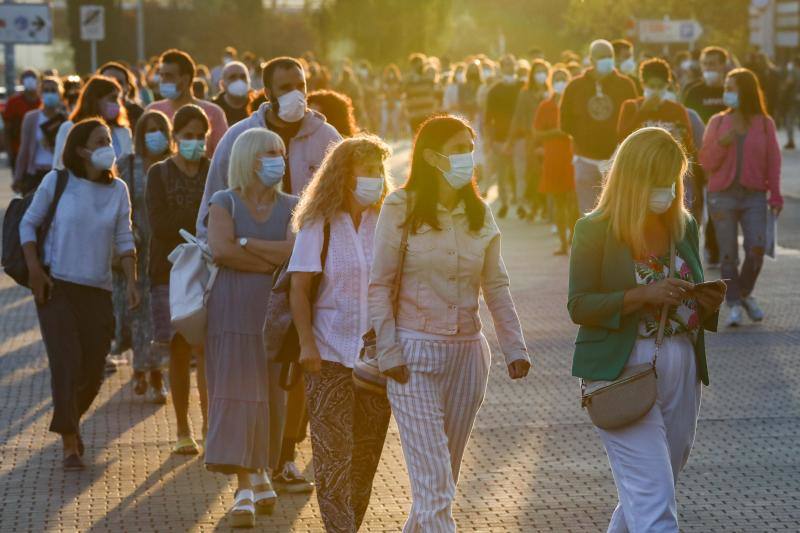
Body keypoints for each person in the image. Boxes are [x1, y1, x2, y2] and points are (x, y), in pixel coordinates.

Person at [370, 115, 531, 532]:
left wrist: (514, 347)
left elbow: (496, 286)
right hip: (412, 358)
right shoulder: (400, 207)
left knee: (439, 484)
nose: (468, 158)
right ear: (431, 156)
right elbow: (380, 284)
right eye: (459, 149)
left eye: (470, 149)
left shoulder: (479, 213)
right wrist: (388, 351)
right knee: (436, 487)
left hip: (467, 358)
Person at [568, 127, 725, 533]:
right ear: (634, 177)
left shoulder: (683, 226)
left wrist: (703, 300)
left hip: (682, 362)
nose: (668, 189)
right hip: (623, 369)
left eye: (673, 178)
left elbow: (687, 290)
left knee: (651, 490)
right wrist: (642, 295)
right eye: (659, 178)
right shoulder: (594, 229)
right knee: (654, 500)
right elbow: (579, 305)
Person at [20, 118, 140, 471]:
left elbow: (124, 237)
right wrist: (34, 270)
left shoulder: (118, 190)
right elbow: (28, 223)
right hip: (56, 286)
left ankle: (68, 419)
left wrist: (132, 281)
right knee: (66, 362)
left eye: (109, 139)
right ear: (81, 150)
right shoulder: (57, 181)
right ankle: (70, 441)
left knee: (93, 368)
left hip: (98, 290)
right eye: (100, 141)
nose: (108, 146)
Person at [289, 135, 392, 532]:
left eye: (380, 169)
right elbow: (299, 289)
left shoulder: (386, 222)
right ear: (345, 175)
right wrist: (306, 344)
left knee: (364, 460)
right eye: (368, 170)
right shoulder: (320, 223)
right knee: (333, 460)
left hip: (376, 360)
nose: (376, 177)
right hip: (328, 355)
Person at [205, 128, 296, 527]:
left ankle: (261, 471)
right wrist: (266, 260)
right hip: (231, 310)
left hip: (275, 314)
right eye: (269, 153)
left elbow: (293, 252)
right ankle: (243, 484)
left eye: (281, 152)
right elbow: (221, 250)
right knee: (237, 395)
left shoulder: (293, 205)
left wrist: (246, 243)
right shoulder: (223, 201)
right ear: (249, 158)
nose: (279, 159)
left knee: (271, 395)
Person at [196, 56, 341, 239]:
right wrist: (207, 241)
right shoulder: (239, 135)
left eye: (300, 86)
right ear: (268, 93)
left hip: (311, 244)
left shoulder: (327, 137)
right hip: (251, 244)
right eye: (285, 88)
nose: (295, 93)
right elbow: (215, 190)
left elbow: (342, 196)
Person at [145, 104, 212, 454]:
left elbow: (222, 214)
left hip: (208, 268)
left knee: (206, 349)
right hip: (168, 270)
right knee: (179, 349)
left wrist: (195, 221)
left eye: (201, 136)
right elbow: (160, 224)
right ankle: (183, 429)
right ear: (175, 137)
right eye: (188, 135)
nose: (195, 142)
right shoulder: (159, 174)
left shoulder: (212, 170)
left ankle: (209, 425)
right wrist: (200, 218)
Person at [699, 68, 783, 327]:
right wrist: (722, 143)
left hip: (754, 196)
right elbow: (705, 161)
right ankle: (733, 302)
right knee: (728, 255)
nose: (726, 92)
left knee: (757, 248)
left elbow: (774, 162)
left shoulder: (765, 124)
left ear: (745, 91)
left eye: (731, 88)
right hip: (721, 196)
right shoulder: (718, 122)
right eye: (726, 87)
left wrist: (776, 195)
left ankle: (744, 292)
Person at [122, 110, 173, 402]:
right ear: (140, 135)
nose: (155, 135)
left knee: (159, 314)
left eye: (160, 129)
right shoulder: (128, 166)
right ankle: (140, 369)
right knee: (138, 314)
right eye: (149, 130)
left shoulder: (172, 167)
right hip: (136, 251)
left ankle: (156, 376)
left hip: (165, 251)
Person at [560, 39, 637, 215]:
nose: (606, 59)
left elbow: (634, 119)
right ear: (591, 59)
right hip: (585, 159)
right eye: (602, 56)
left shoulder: (625, 85)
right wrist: (584, 139)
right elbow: (565, 122)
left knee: (617, 212)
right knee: (588, 213)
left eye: (609, 55)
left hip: (617, 159)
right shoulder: (575, 86)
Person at [146, 49, 228, 156]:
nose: (163, 80)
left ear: (185, 79)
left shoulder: (213, 112)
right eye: (162, 75)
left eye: (169, 76)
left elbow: (223, 155)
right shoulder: (153, 111)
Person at [533, 66, 578, 255]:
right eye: (557, 79)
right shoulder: (545, 106)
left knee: (574, 201)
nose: (560, 82)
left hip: (573, 155)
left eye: (563, 78)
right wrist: (558, 132)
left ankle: (574, 239)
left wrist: (563, 132)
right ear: (552, 83)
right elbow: (537, 133)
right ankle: (562, 243)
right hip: (553, 157)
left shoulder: (575, 103)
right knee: (559, 201)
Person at [52, 75, 133, 170]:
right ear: (95, 100)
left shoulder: (123, 132)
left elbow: (129, 168)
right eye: (113, 98)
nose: (118, 104)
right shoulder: (69, 127)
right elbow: (59, 165)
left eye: (118, 99)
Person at [617, 59, 694, 154]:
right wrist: (642, 112)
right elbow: (621, 138)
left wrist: (682, 133)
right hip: (639, 159)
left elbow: (689, 145)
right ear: (643, 84)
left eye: (660, 86)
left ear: (667, 85)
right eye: (651, 86)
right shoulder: (631, 106)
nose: (656, 90)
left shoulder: (677, 110)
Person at [508, 58, 551, 220]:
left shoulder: (551, 93)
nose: (541, 75)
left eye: (544, 71)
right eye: (538, 72)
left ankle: (546, 208)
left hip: (549, 138)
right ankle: (534, 206)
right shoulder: (525, 93)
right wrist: (511, 140)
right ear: (532, 74)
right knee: (533, 174)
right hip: (531, 139)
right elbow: (517, 117)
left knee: (547, 172)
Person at [485, 54, 524, 218]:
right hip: (500, 138)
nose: (510, 66)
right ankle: (504, 203)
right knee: (502, 173)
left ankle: (521, 204)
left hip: (520, 136)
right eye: (506, 64)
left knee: (520, 172)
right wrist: (490, 140)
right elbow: (488, 118)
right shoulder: (494, 90)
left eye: (512, 64)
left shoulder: (523, 87)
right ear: (501, 68)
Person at [13, 77, 67, 194]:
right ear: (40, 93)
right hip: (35, 174)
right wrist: (18, 177)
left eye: (53, 90)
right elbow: (24, 149)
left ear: (60, 94)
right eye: (46, 90)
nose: (50, 94)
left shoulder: (65, 119)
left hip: (58, 174)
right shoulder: (31, 118)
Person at [4, 69, 42, 172]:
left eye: (33, 77)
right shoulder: (13, 102)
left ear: (38, 81)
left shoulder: (43, 102)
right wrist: (10, 153)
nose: (30, 80)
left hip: (39, 153)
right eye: (26, 77)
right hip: (18, 152)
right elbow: (7, 130)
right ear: (21, 81)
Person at [99, 61, 145, 134]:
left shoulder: (137, 114)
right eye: (107, 81)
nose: (113, 86)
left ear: (128, 87)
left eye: (119, 82)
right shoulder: (88, 114)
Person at [403, 54, 438, 134]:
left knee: (429, 134)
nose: (419, 66)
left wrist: (418, 78)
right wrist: (413, 76)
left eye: (421, 63)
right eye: (416, 64)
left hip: (428, 112)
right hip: (415, 114)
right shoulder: (409, 78)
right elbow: (402, 88)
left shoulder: (429, 74)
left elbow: (432, 79)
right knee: (416, 136)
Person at [212, 61, 254, 126]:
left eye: (243, 77)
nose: (239, 81)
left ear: (249, 81)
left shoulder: (258, 104)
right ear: (222, 84)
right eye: (232, 77)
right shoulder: (214, 108)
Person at [379, 64, 404, 141]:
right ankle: (381, 138)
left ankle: (396, 137)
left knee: (395, 121)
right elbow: (380, 93)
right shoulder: (384, 82)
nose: (391, 74)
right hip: (386, 102)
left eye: (392, 72)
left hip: (396, 102)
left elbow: (401, 93)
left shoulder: (399, 82)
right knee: (384, 121)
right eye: (390, 72)